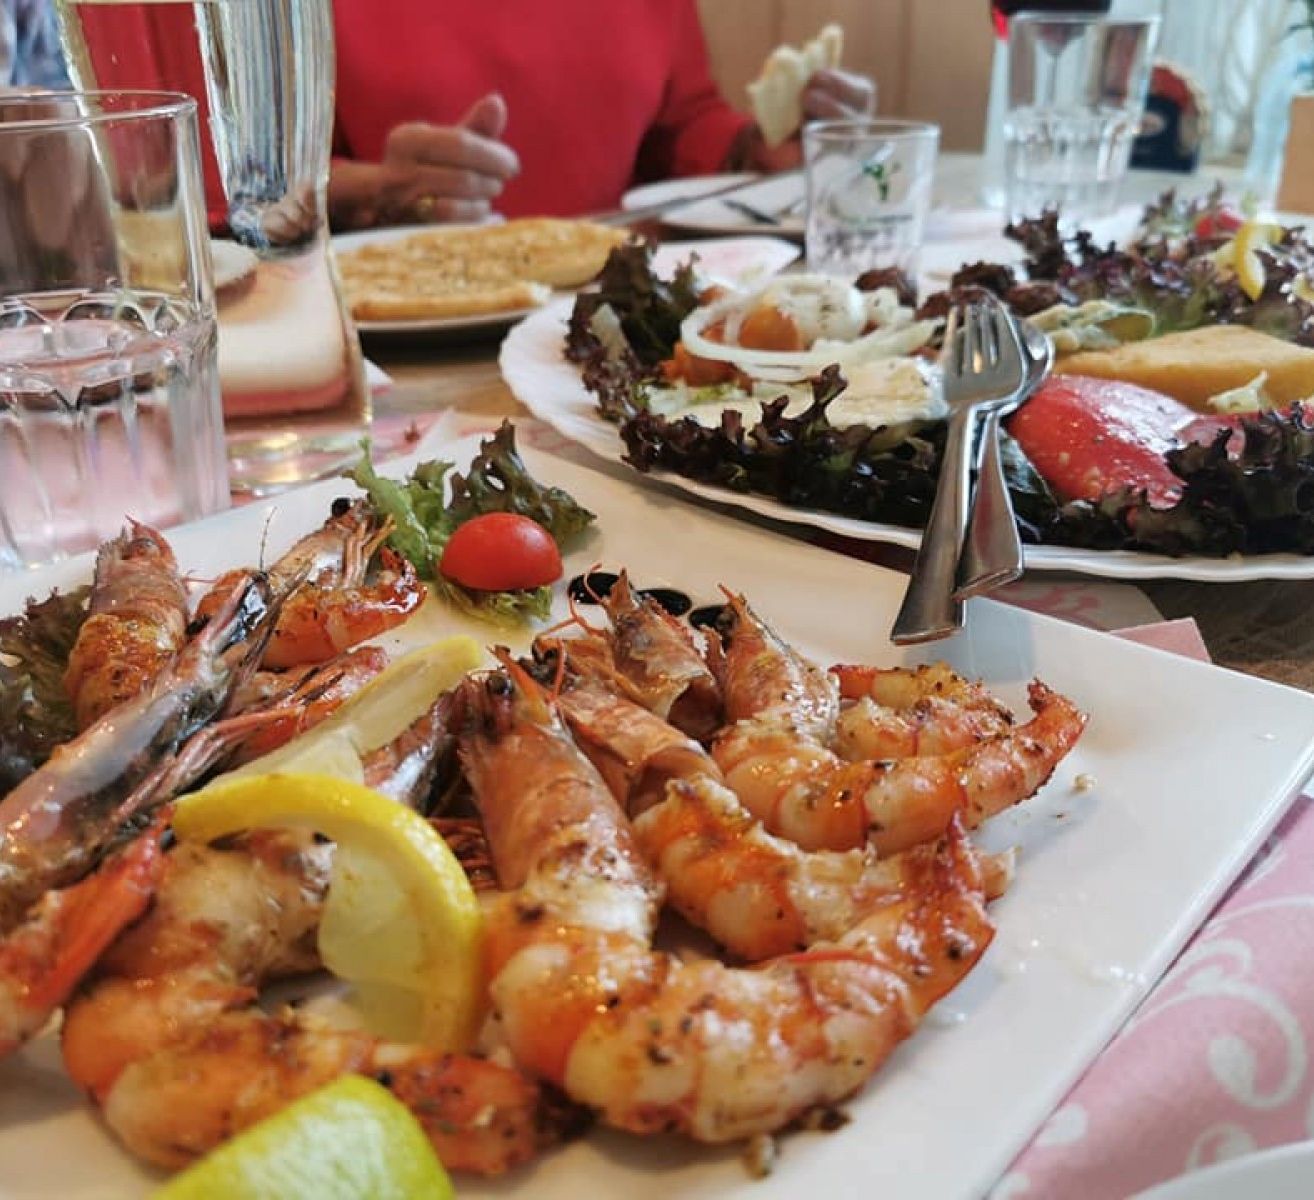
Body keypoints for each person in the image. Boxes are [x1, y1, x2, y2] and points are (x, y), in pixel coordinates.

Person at [329, 0, 874, 229]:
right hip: (393, 345)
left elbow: (681, 127)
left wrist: (756, 150)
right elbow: (249, 189)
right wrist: (373, 193)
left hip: (594, 325)